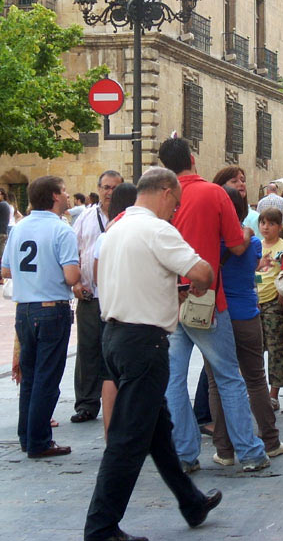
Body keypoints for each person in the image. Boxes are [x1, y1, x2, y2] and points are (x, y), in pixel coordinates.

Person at [84, 167, 222, 541]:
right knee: (127, 441)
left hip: (114, 337)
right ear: (164, 192)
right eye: (175, 203)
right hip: (144, 343)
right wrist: (194, 283)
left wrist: (168, 291)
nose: (175, 211)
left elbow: (128, 278)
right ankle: (101, 527)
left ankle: (190, 501)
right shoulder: (157, 230)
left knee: (158, 430)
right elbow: (203, 272)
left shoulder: (116, 228)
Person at [158, 137, 269, 474]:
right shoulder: (213, 193)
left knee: (174, 379)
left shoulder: (162, 198)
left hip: (170, 299)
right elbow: (236, 247)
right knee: (228, 376)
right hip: (207, 299)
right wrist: (249, 236)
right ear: (193, 158)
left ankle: (184, 454)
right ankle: (250, 452)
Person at [207, 186, 283, 467]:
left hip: (217, 315)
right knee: (254, 379)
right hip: (247, 316)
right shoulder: (251, 243)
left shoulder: (209, 243)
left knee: (217, 383)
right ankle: (271, 440)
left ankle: (224, 449)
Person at [3, 176, 80, 459]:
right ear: (55, 196)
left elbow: (6, 270)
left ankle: (27, 435)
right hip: (51, 308)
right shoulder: (61, 230)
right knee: (48, 378)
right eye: (65, 190)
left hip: (24, 309)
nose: (69, 194)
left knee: (31, 377)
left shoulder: (19, 227)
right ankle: (39, 441)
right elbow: (71, 276)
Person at [71, 169, 124, 424]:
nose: (109, 192)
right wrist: (76, 283)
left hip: (119, 297)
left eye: (114, 188)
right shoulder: (85, 217)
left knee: (115, 351)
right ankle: (86, 404)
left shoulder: (128, 218)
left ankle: (118, 402)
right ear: (98, 188)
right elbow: (74, 250)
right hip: (90, 296)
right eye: (105, 187)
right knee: (88, 349)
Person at [90, 181, 139, 438]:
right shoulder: (136, 232)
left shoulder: (105, 235)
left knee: (108, 374)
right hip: (133, 312)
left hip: (107, 310)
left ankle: (110, 432)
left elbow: (96, 275)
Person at [256, 208, 283, 409]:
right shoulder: (256, 247)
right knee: (256, 349)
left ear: (279, 227)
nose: (265, 227)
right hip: (256, 301)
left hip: (274, 303)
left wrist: (282, 296)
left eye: (270, 223)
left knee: (276, 347)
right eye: (263, 223)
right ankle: (258, 391)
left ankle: (274, 394)